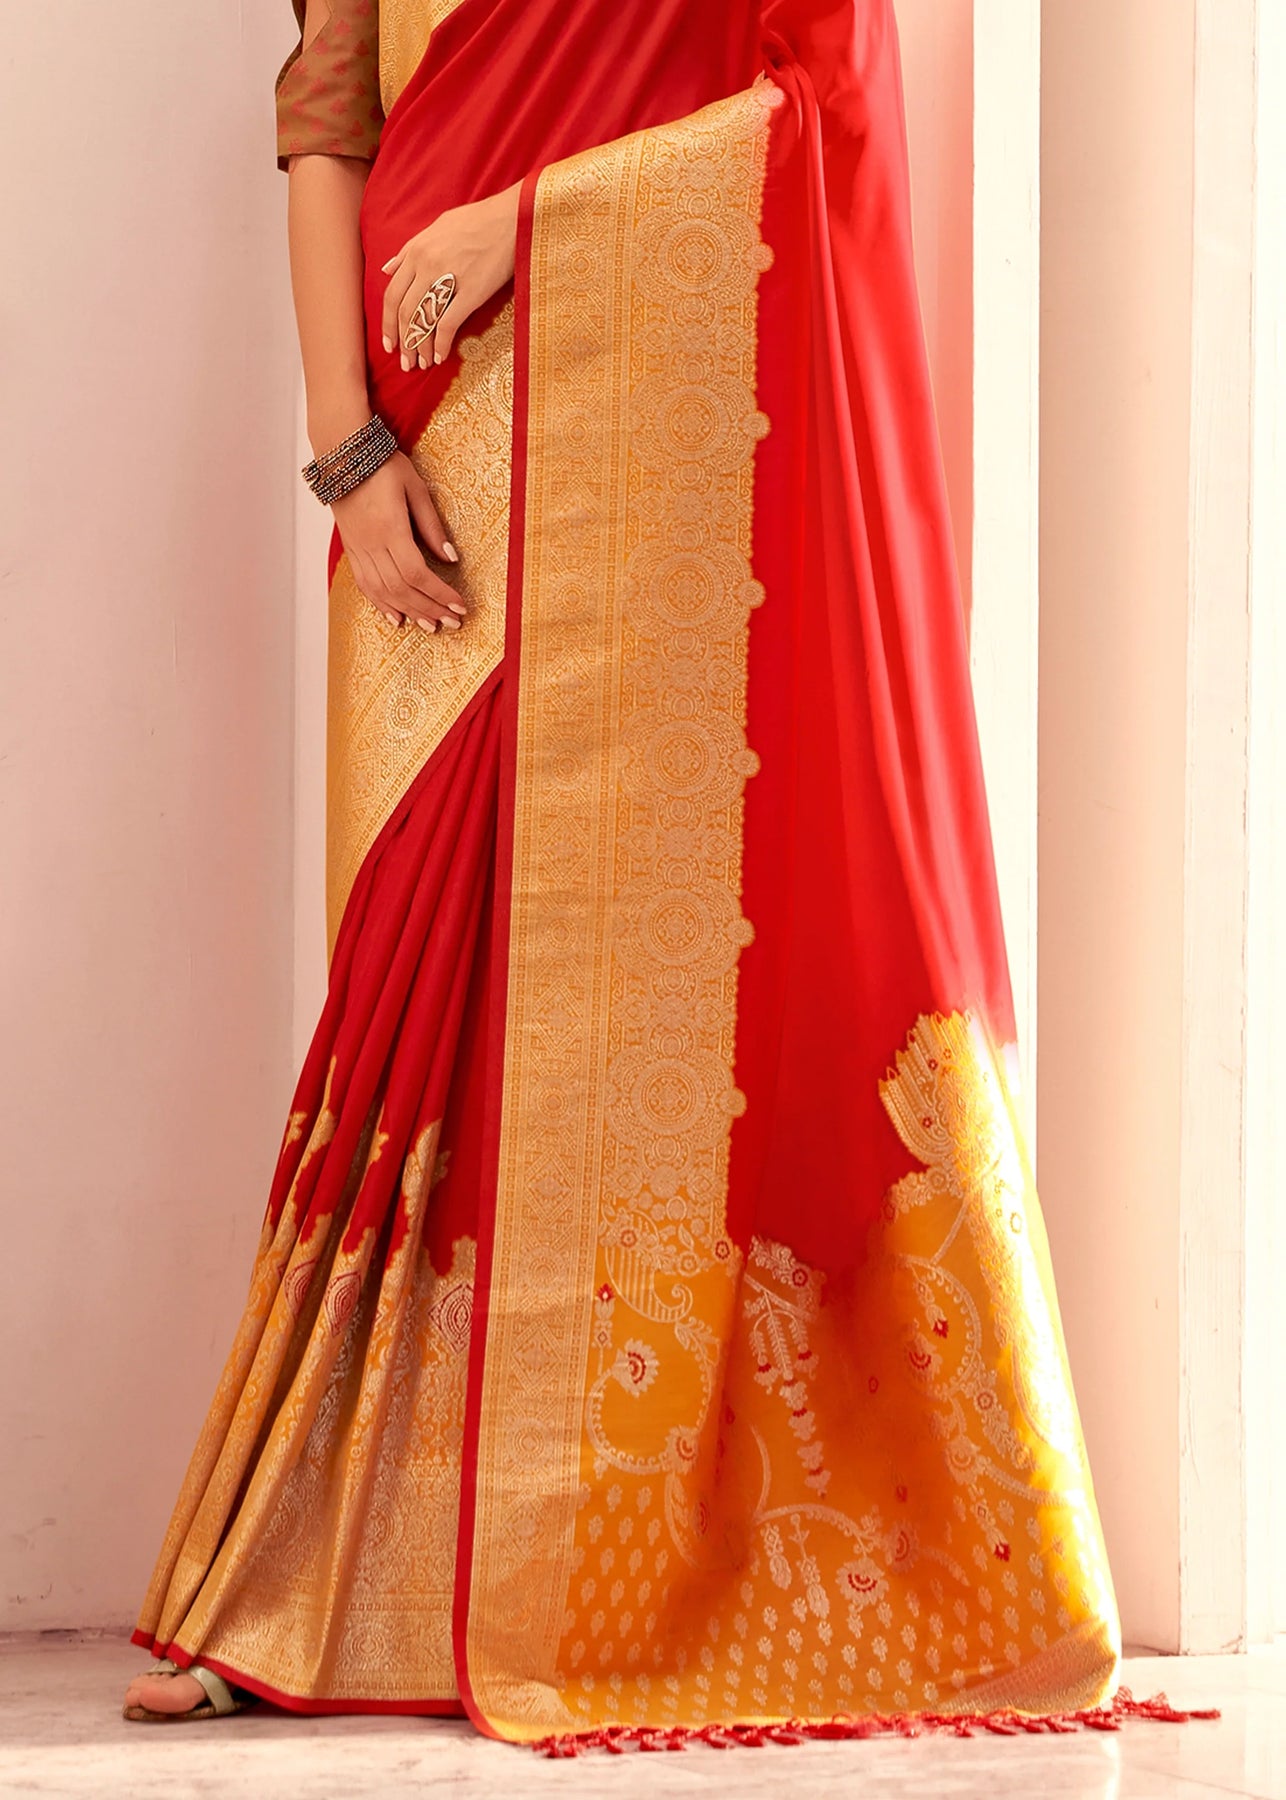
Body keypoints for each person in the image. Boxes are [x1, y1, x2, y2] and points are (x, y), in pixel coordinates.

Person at [122, 0, 1123, 1743]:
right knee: (417, 966)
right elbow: (326, 118)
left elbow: (819, 105)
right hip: (430, 440)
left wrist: (537, 222)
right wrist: (346, 445)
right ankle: (319, 1573)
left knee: (654, 990)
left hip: (653, 410)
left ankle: (619, 1556)